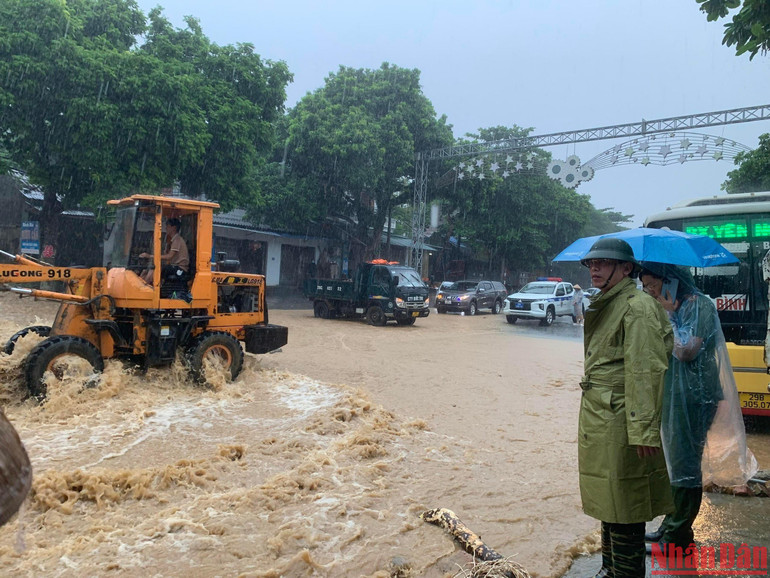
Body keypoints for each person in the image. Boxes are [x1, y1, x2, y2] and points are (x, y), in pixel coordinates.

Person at [638, 262, 757, 553]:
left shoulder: (698, 305)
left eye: (652, 285)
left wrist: (667, 315)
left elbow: (687, 350)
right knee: (674, 463)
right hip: (676, 395)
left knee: (685, 466)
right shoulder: (678, 307)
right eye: (645, 286)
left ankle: (677, 536)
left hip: (695, 396)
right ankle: (671, 523)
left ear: (670, 280)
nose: (649, 291)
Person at [578, 238, 674, 578]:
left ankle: (625, 573)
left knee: (625, 503)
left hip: (622, 420)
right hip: (604, 416)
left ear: (626, 268)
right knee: (610, 499)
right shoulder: (610, 302)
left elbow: (644, 370)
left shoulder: (637, 307)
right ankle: (610, 569)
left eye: (603, 262)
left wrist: (644, 430)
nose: (594, 268)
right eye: (591, 263)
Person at [140, 217, 190, 284]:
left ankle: (145, 286)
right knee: (147, 270)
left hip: (180, 269)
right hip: (174, 266)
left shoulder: (177, 240)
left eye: (168, 226)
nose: (166, 228)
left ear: (174, 228)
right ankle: (142, 284)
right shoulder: (173, 240)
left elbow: (169, 256)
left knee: (154, 269)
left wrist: (150, 256)